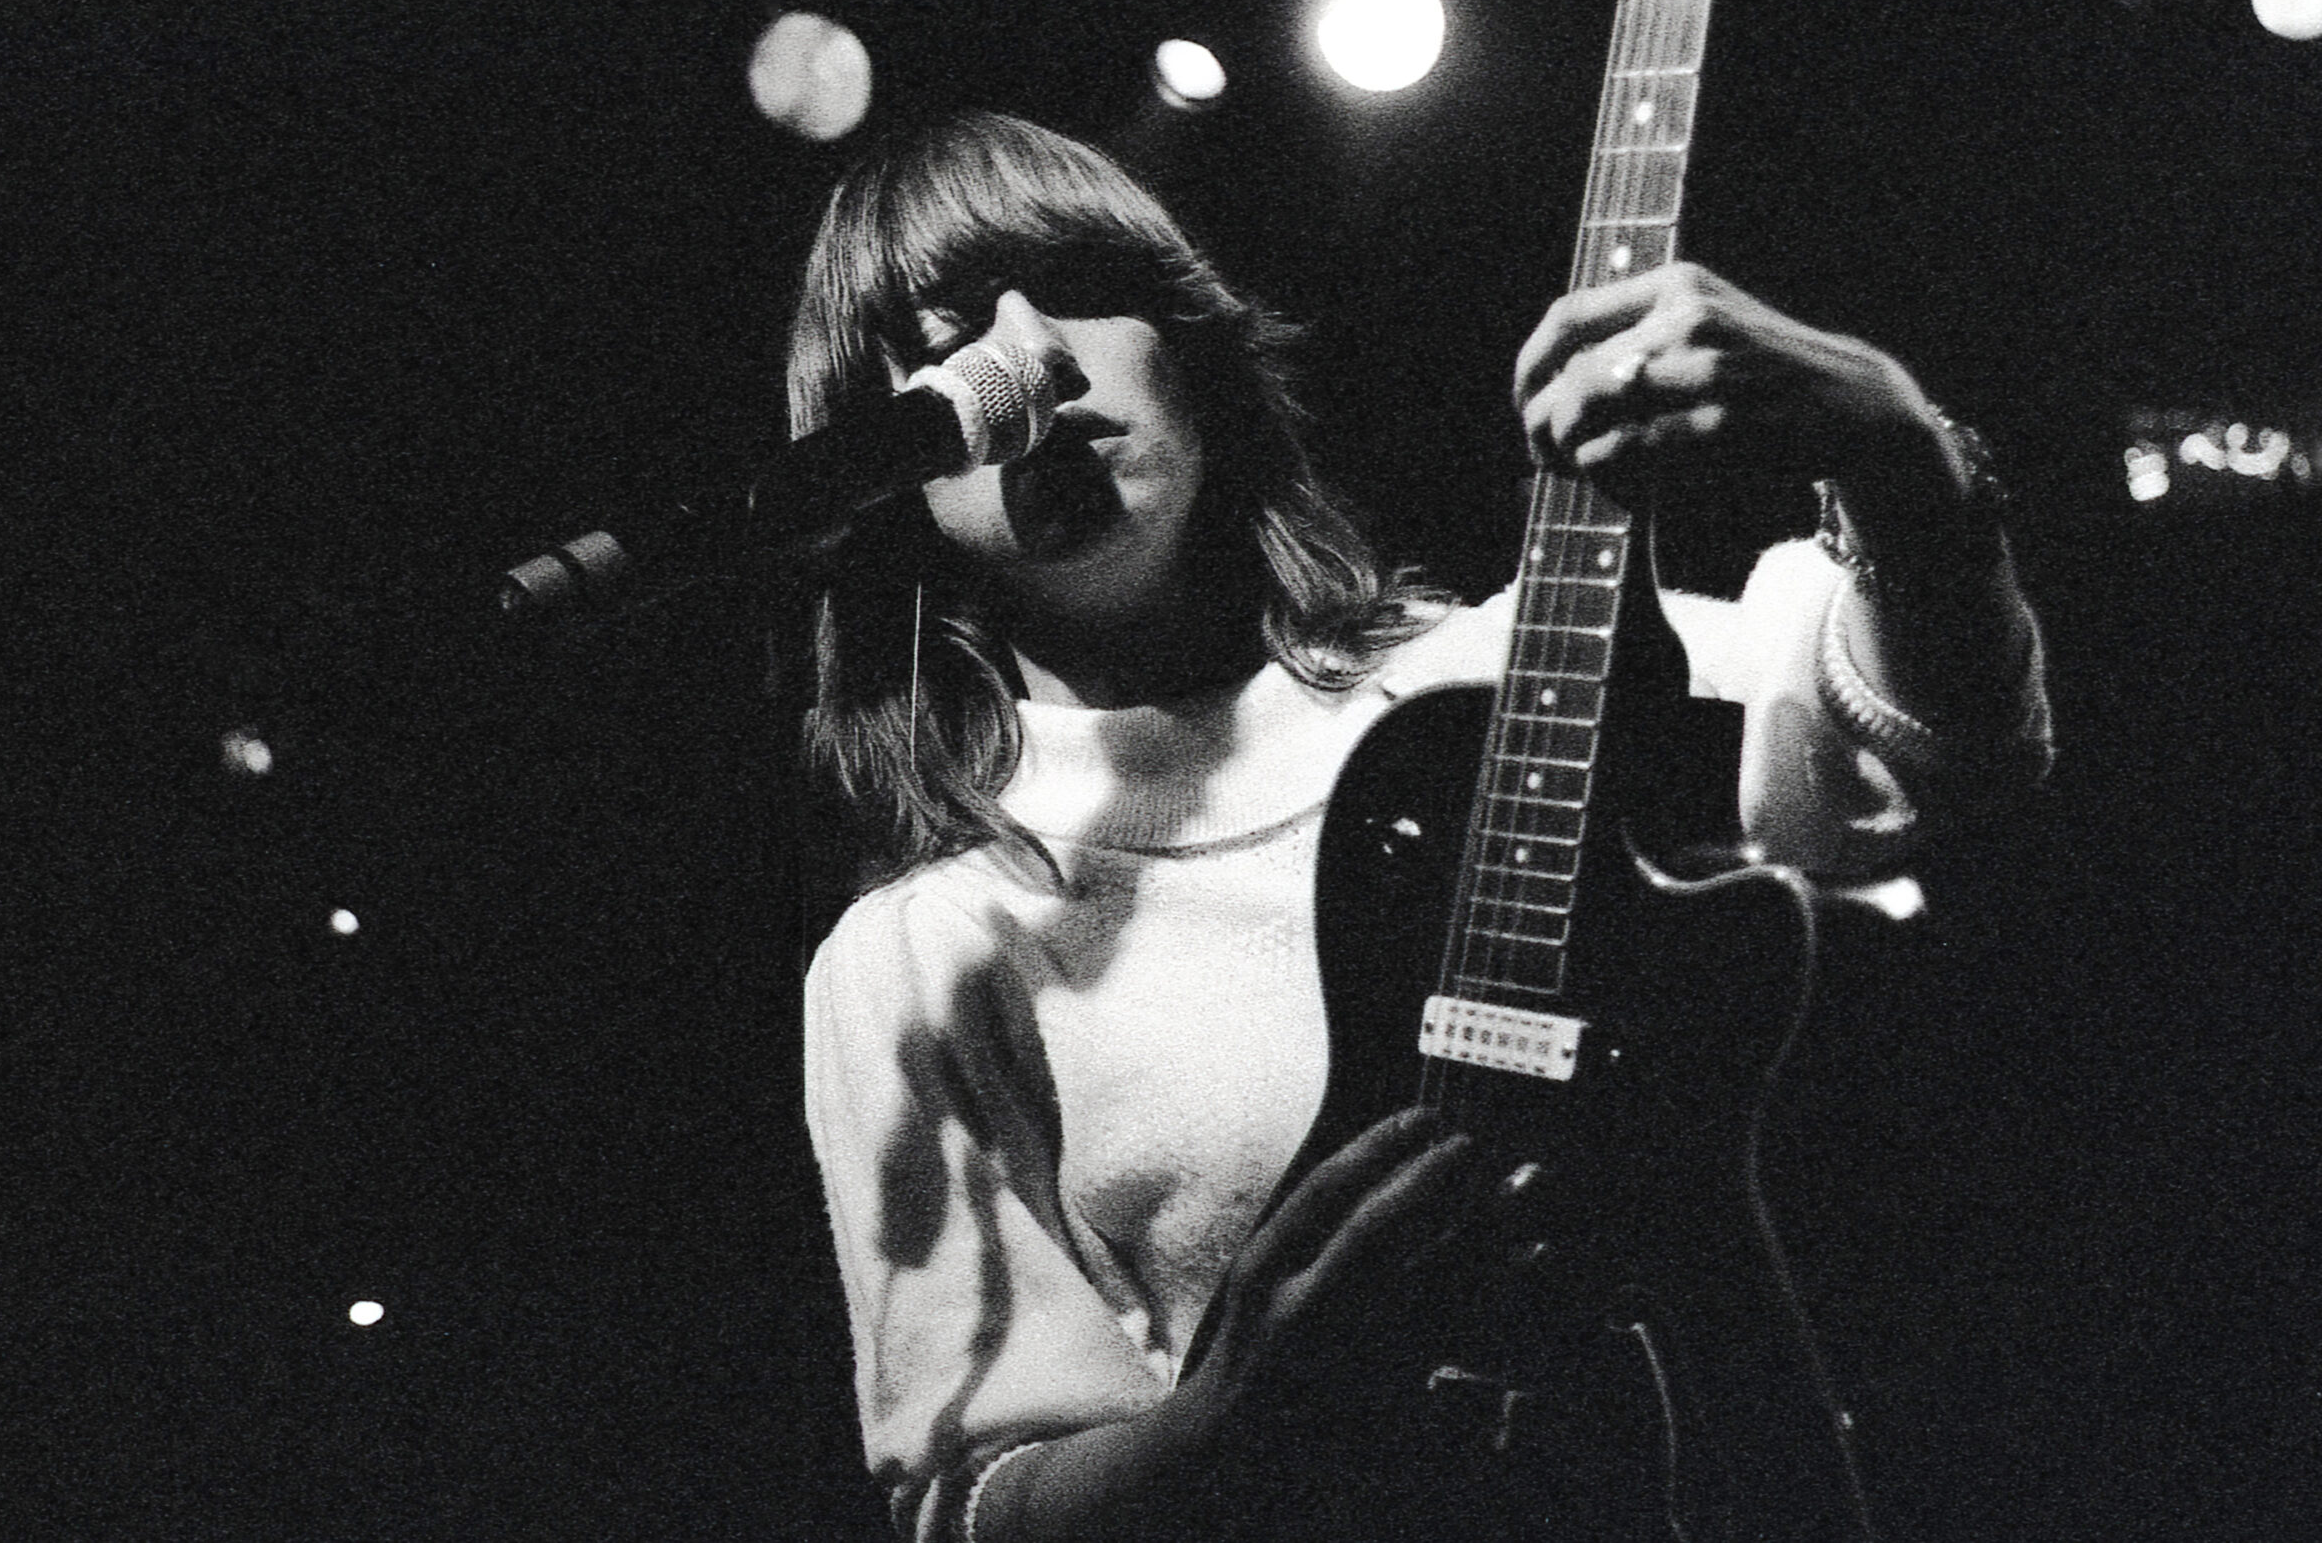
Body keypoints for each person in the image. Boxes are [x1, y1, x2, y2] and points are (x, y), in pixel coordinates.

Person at [790, 111, 2050, 1542]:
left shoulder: (1508, 688)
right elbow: (975, 1504)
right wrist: (1225, 1428)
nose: (1032, 355)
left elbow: (1931, 763)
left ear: (1193, 353)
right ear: (881, 466)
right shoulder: (924, 956)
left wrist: (1894, 451)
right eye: (946, 332)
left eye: (1075, 284)